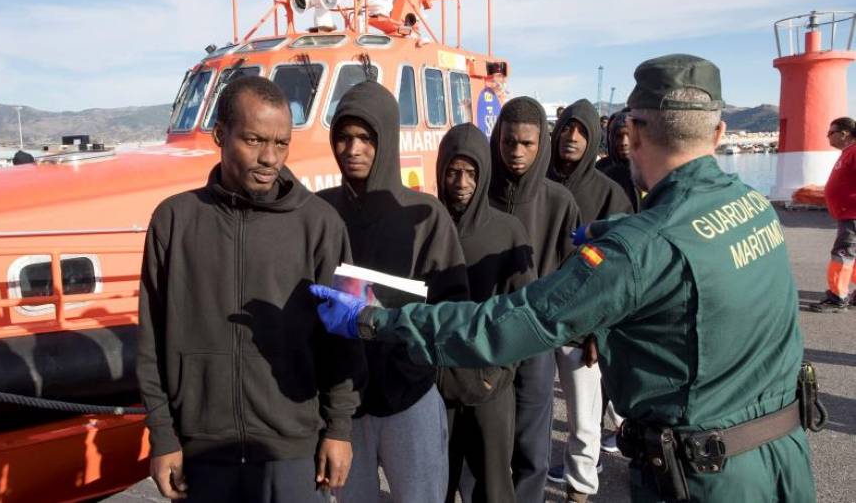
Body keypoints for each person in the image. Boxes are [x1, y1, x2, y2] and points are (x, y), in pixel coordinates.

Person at [313, 54, 817, 502]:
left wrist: (374, 321)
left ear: (634, 133)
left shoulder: (640, 249)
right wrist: (620, 229)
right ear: (719, 132)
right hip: (785, 459)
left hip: (710, 478)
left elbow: (509, 324)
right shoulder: (752, 206)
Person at [136, 76, 364, 503]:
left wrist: (339, 428)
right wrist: (162, 435)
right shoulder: (172, 222)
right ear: (221, 135)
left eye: (281, 143)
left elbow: (343, 337)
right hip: (201, 452)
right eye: (255, 140)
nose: (269, 158)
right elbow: (151, 340)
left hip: (294, 452)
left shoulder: (321, 224)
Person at [318, 81, 469, 503]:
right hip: (343, 406)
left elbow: (454, 305)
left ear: (386, 138)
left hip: (410, 394)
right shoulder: (319, 212)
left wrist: (413, 360)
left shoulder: (427, 217)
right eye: (344, 137)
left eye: (366, 137)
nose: (353, 148)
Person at [434, 123, 536, 503]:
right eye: (453, 171)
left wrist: (499, 374)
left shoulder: (509, 231)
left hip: (492, 388)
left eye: (472, 173)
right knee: (434, 485)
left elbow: (524, 314)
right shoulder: (427, 225)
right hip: (437, 388)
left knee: (494, 488)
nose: (461, 182)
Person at [487, 96, 581, 502]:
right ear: (498, 139)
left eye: (527, 144)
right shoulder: (479, 194)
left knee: (532, 447)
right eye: (509, 142)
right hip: (485, 339)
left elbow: (577, 272)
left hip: (537, 343)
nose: (517, 153)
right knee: (488, 443)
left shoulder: (560, 202)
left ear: (541, 143)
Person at [546, 99, 633, 502]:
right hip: (535, 320)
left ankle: (580, 489)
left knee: (584, 419)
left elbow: (619, 272)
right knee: (532, 413)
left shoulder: (610, 192)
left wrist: (602, 327)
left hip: (583, 328)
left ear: (593, 137)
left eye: (581, 131)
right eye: (566, 128)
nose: (572, 137)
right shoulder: (536, 182)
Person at [809, 116, 856, 312]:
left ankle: (837, 297)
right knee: (851, 256)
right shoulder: (848, 152)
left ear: (844, 134)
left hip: (852, 215)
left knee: (842, 255)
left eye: (831, 133)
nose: (827, 137)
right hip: (848, 215)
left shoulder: (853, 152)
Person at [597, 110, 643, 211]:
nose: (624, 142)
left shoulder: (649, 173)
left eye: (629, 135)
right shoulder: (600, 171)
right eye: (619, 136)